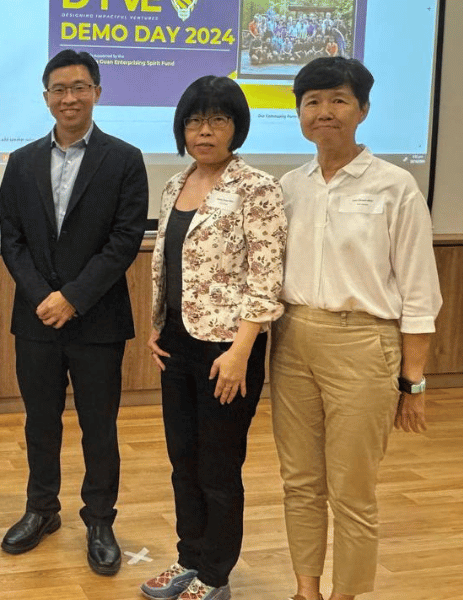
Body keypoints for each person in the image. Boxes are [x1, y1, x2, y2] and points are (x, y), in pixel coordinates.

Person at [272, 57, 441, 600]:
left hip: (363, 344)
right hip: (292, 339)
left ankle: (346, 595)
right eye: (313, 102)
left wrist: (412, 382)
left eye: (338, 100)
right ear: (298, 112)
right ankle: (306, 590)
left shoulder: (396, 187)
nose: (325, 112)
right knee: (299, 481)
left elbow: (419, 293)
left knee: (352, 490)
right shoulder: (288, 186)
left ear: (363, 110)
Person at [0, 49, 148, 577]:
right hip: (36, 318)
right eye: (59, 89)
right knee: (40, 423)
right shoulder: (20, 162)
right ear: (46, 97)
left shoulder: (125, 159)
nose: (69, 97)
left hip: (98, 321)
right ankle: (41, 510)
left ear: (98, 93)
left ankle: (100, 519)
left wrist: (74, 297)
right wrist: (44, 296)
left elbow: (125, 240)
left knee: (98, 427)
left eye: (80, 87)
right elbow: (10, 239)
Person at [140, 76, 286, 600]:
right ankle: (188, 558)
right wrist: (158, 326)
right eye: (195, 120)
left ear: (236, 127)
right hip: (178, 342)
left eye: (218, 120)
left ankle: (216, 574)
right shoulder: (175, 184)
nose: (205, 131)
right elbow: (170, 263)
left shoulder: (258, 188)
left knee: (219, 466)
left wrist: (241, 353)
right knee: (183, 459)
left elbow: (265, 280)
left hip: (230, 349)